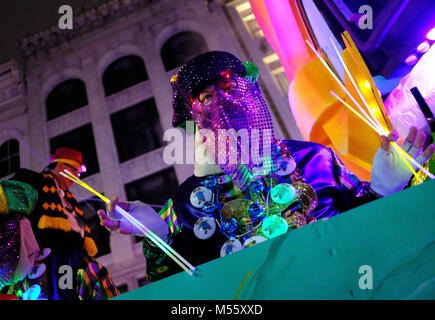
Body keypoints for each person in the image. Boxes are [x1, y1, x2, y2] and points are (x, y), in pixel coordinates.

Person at [98, 51, 435, 283]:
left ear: (252, 93)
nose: (223, 103)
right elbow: (187, 290)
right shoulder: (187, 203)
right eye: (205, 98)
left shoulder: (312, 159)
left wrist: (383, 190)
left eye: (230, 87)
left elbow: (370, 239)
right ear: (192, 121)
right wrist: (158, 237)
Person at [12, 147, 119, 300]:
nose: (77, 177)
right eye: (75, 171)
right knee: (65, 296)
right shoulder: (35, 181)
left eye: (79, 174)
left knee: (102, 287)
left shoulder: (70, 200)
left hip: (79, 258)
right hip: (54, 258)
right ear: (61, 166)